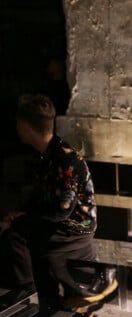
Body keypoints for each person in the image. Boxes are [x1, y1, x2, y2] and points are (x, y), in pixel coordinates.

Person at [0, 94, 107, 303]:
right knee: (13, 234)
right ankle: (34, 298)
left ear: (25, 126)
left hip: (72, 229)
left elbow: (61, 210)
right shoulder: (47, 155)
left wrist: (21, 221)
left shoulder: (65, 159)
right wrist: (21, 215)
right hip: (61, 225)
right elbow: (46, 200)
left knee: (15, 238)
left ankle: (32, 297)